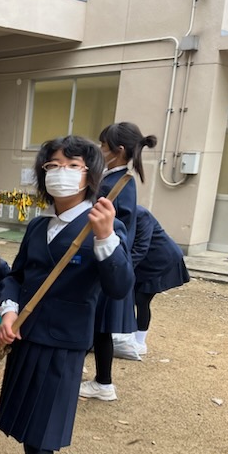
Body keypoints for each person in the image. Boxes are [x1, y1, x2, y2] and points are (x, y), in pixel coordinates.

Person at [0, 136, 134, 454]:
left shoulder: (102, 224)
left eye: (71, 165)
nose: (59, 173)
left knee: (43, 430)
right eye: (52, 165)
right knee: (26, 418)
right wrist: (8, 311)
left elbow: (120, 287)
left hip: (63, 344)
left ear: (90, 174)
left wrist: (105, 237)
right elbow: (17, 276)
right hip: (27, 335)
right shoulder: (38, 226)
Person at [80, 122, 157, 401]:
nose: (100, 149)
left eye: (103, 145)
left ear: (119, 150)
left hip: (105, 262)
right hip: (107, 261)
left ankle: (103, 383)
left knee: (99, 326)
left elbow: (117, 228)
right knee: (98, 326)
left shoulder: (118, 184)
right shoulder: (117, 179)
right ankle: (99, 380)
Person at [129, 205, 191, 354]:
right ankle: (128, 337)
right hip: (142, 261)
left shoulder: (140, 214)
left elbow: (141, 246)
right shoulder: (119, 214)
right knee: (130, 297)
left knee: (141, 299)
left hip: (161, 258)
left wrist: (122, 268)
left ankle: (140, 342)